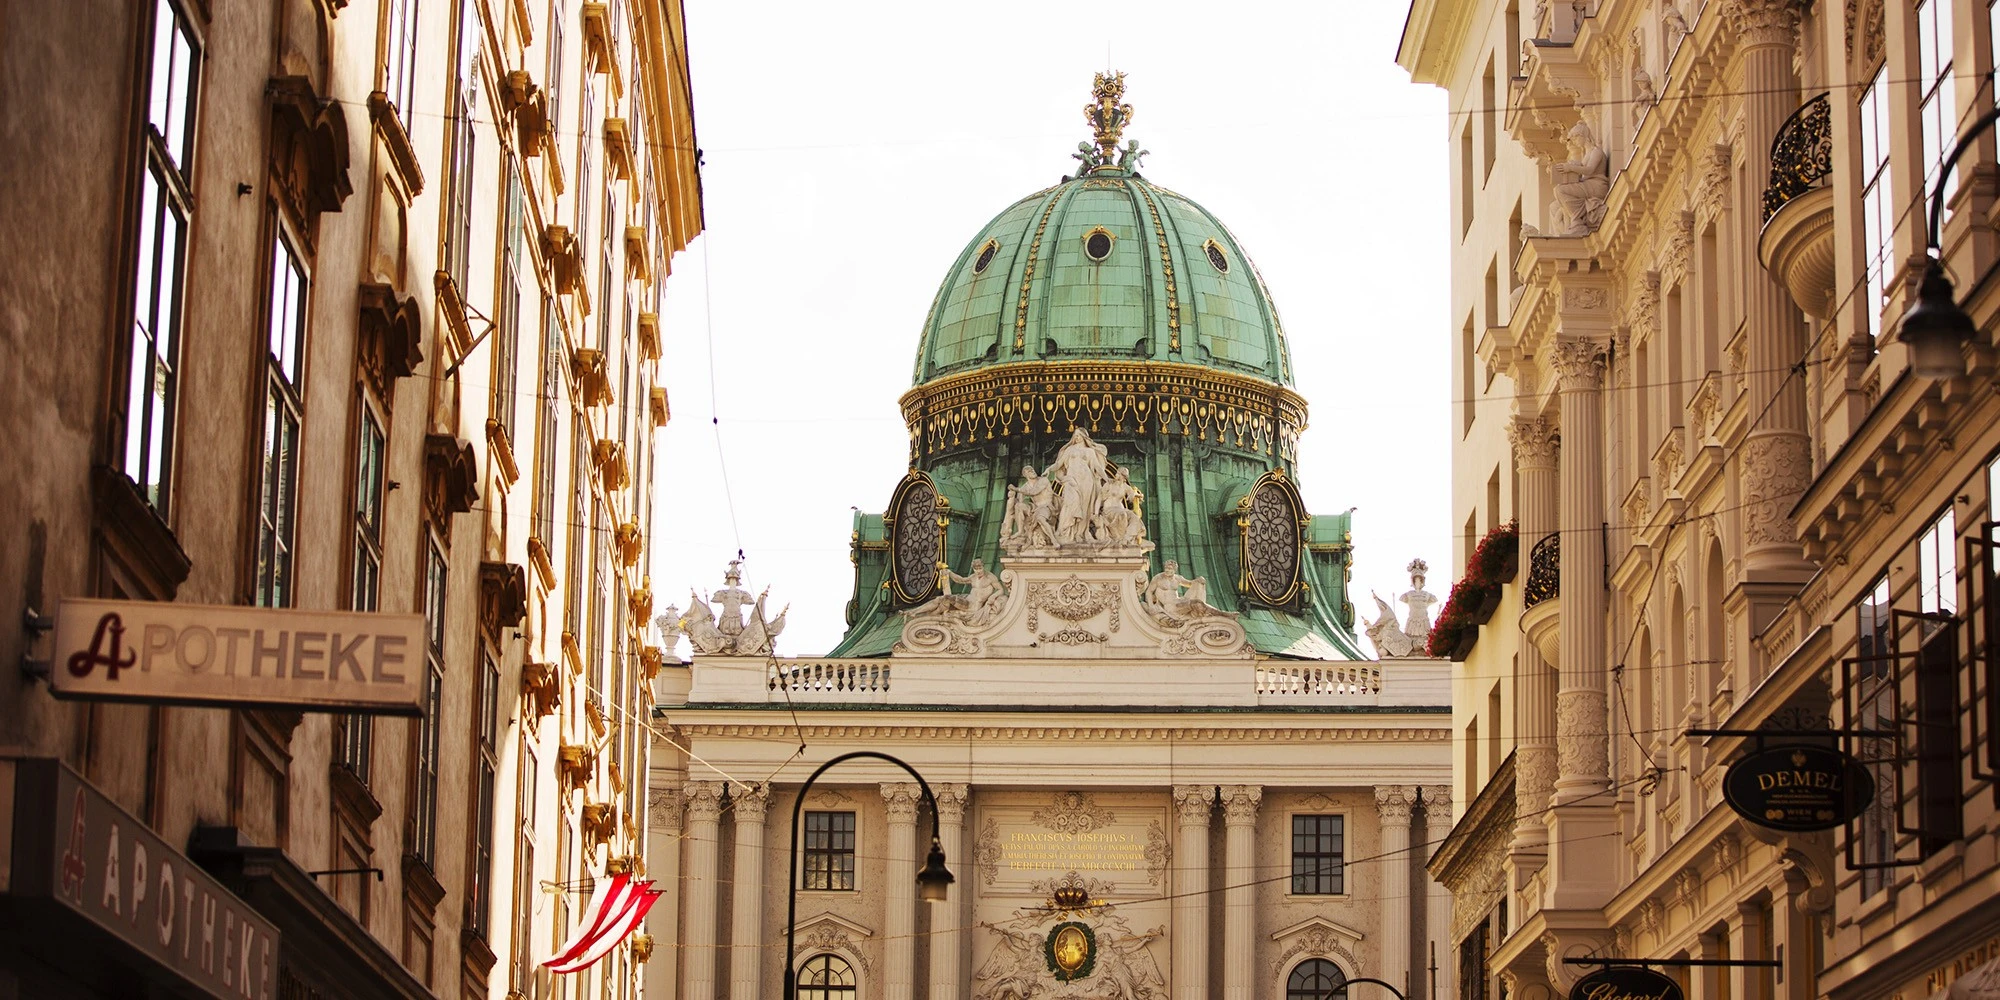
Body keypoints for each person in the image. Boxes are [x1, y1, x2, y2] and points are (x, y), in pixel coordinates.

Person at [1048, 428, 1108, 543]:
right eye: (1075, 436)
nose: (1076, 438)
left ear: (1084, 437)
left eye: (1079, 435)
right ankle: (1065, 532)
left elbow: (1097, 467)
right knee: (1069, 504)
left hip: (1086, 481)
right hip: (1071, 481)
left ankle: (1081, 533)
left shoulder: (1090, 452)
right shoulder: (1070, 450)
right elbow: (1059, 464)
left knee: (1085, 507)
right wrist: (1049, 469)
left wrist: (1106, 479)